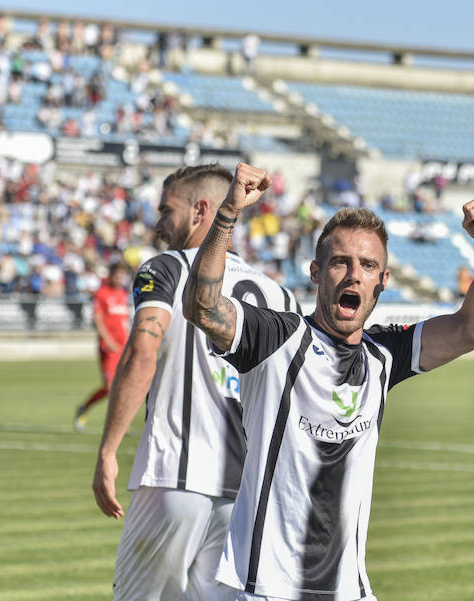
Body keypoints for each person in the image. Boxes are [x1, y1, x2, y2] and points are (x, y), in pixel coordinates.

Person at [183, 162, 474, 601]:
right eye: (340, 262)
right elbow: (202, 307)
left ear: (382, 282)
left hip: (348, 590)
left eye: (368, 265)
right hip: (265, 588)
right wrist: (227, 215)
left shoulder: (384, 355)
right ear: (316, 273)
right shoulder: (277, 338)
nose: (354, 274)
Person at [92, 163, 301, 601]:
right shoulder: (280, 294)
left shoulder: (166, 267)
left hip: (175, 474)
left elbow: (142, 350)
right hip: (243, 495)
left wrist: (109, 450)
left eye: (167, 210)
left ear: (200, 210)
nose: (158, 223)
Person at [75, 262, 130, 431]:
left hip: (124, 347)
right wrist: (108, 341)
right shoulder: (101, 294)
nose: (120, 278)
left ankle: (119, 425)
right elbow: (97, 320)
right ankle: (84, 408)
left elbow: (124, 322)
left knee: (124, 387)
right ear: (111, 275)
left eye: (122, 275)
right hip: (109, 348)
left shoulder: (123, 294)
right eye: (117, 275)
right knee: (110, 387)